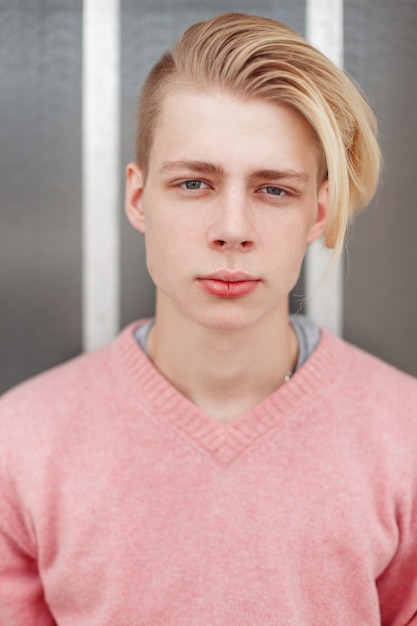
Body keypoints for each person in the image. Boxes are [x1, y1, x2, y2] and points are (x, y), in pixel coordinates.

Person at [0, 12, 416, 626]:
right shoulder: (20, 443)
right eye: (195, 183)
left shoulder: (406, 436)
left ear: (319, 212)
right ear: (139, 198)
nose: (232, 230)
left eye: (274, 190)